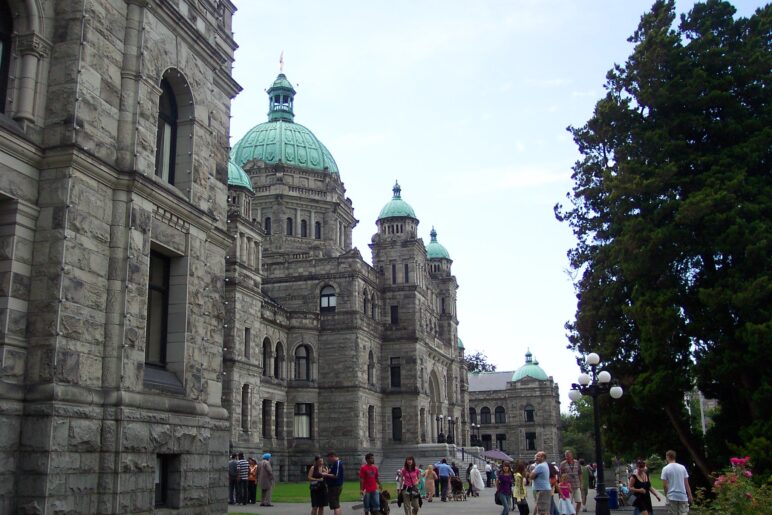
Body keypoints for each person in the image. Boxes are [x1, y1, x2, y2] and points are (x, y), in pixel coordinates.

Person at [661, 450, 692, 514]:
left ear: (668, 457)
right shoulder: (682, 467)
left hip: (672, 496)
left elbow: (665, 485)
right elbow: (686, 484)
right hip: (682, 496)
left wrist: (667, 495)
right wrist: (690, 495)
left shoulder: (665, 469)